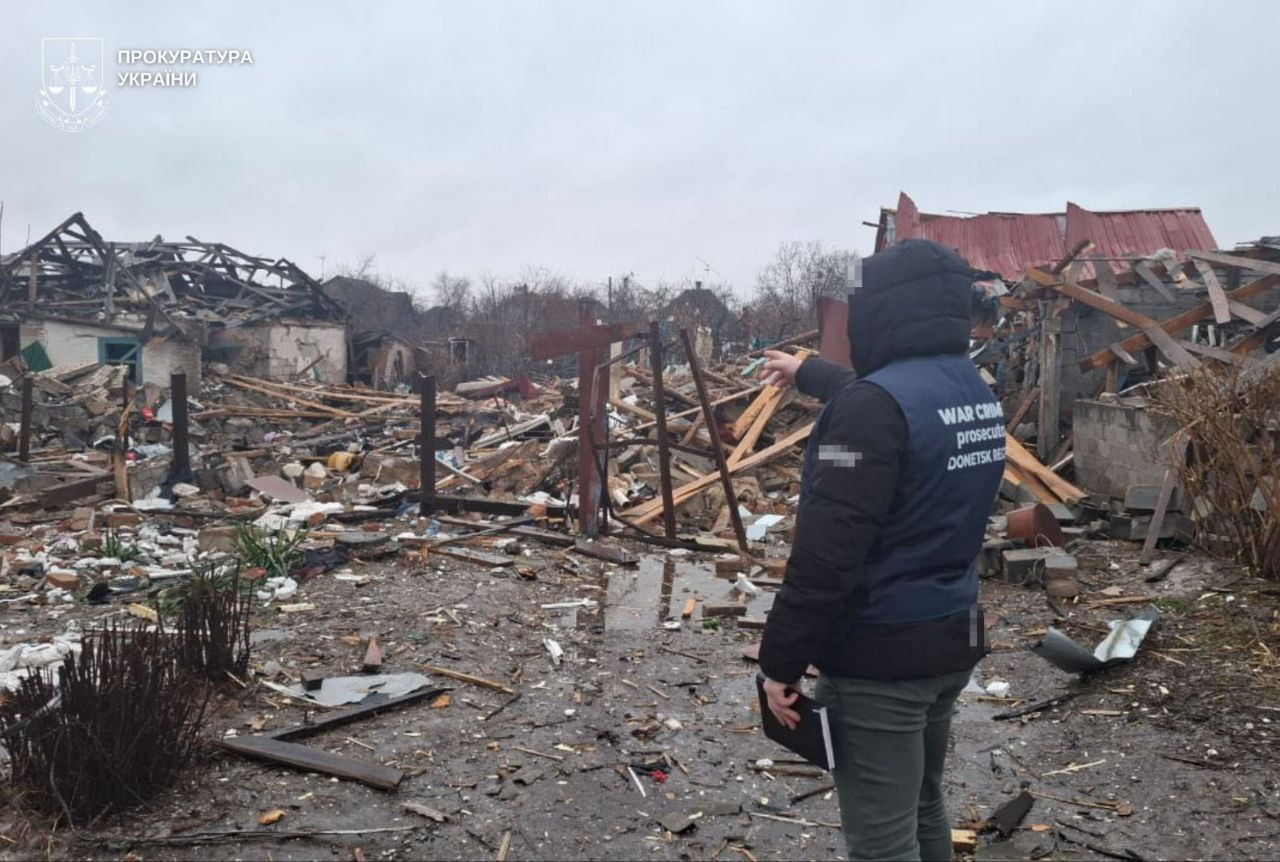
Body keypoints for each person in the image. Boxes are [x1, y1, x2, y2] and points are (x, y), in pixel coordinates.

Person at [757, 239, 1005, 862]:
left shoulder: (866, 415)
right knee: (922, 803)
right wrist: (808, 370)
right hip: (952, 635)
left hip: (882, 658)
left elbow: (825, 555)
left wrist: (779, 665)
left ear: (880, 312)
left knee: (880, 840)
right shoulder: (969, 388)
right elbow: (887, 402)